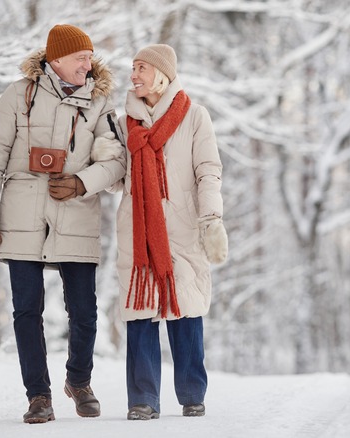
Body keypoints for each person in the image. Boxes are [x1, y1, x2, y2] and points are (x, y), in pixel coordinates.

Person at [0, 24, 126, 424]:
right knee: (26, 311)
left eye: (90, 58)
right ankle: (38, 396)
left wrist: (80, 182)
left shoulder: (100, 101)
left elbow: (115, 161)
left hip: (76, 213)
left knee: (85, 311)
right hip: (21, 214)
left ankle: (79, 381)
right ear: (55, 60)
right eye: (80, 58)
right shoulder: (18, 96)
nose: (87, 65)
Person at [115, 44, 228, 420]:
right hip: (138, 230)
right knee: (140, 309)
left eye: (141, 68)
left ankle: (192, 393)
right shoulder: (123, 125)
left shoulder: (194, 117)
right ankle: (143, 400)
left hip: (181, 227)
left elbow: (207, 170)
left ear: (162, 74)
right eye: (133, 68)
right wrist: (82, 177)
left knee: (186, 309)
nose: (134, 75)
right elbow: (114, 174)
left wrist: (211, 219)